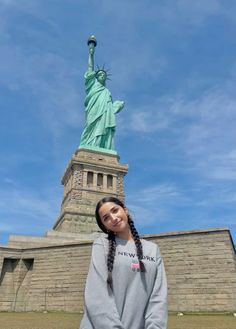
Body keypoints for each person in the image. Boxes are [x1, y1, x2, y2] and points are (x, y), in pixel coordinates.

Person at [80, 196, 168, 329]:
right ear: (105, 226)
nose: (113, 218)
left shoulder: (152, 249)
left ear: (125, 210)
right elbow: (97, 295)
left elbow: (158, 297)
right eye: (106, 218)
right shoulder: (102, 245)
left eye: (115, 210)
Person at [79, 37, 124, 150]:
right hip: (94, 110)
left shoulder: (106, 92)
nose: (102, 76)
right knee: (91, 126)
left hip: (104, 114)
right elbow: (90, 67)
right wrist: (91, 54)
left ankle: (102, 146)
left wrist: (115, 107)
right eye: (100, 75)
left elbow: (110, 109)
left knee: (104, 127)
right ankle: (90, 145)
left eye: (104, 75)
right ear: (96, 76)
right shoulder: (92, 84)